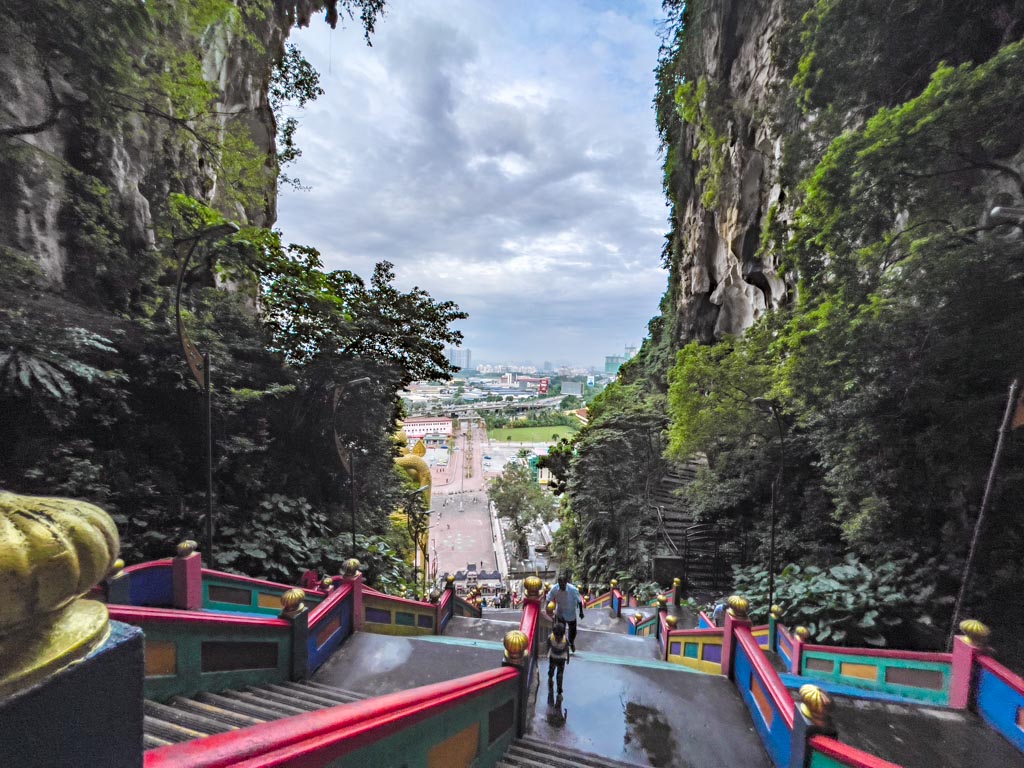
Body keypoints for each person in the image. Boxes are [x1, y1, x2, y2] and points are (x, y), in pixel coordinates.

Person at [546, 572, 584, 653]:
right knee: (560, 630)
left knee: (572, 631)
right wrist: (546, 608)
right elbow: (548, 598)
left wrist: (581, 612)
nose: (562, 586)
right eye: (560, 584)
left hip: (571, 613)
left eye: (563, 584)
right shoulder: (555, 589)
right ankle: (561, 645)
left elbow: (579, 601)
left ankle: (571, 642)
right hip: (560, 613)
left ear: (566, 583)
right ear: (558, 583)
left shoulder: (573, 589)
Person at [547, 620, 570, 695]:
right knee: (556, 672)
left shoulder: (552, 638)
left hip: (557, 657)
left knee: (556, 671)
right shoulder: (563, 640)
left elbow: (548, 645)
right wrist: (568, 658)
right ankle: (556, 683)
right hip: (557, 657)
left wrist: (568, 658)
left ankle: (555, 683)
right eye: (556, 635)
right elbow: (567, 649)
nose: (557, 638)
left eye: (558, 636)